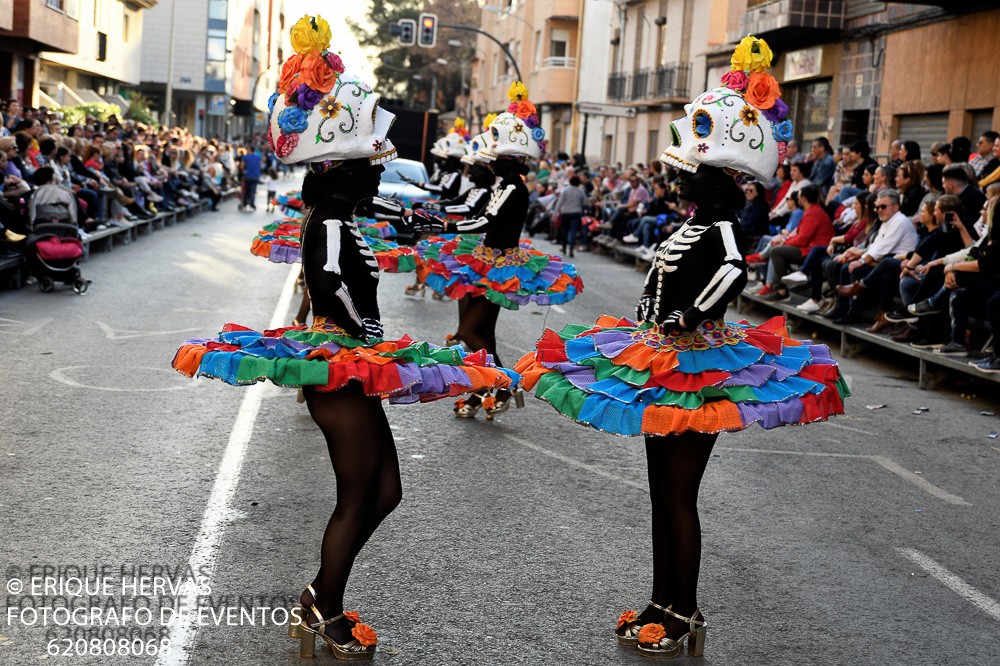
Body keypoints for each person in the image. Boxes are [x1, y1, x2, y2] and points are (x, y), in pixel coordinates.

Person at [171, 18, 516, 661]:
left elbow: (360, 251)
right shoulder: (329, 223)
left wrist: (408, 236)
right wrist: (373, 338)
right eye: (368, 168)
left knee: (385, 491)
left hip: (353, 368)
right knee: (361, 495)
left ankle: (321, 597)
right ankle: (322, 604)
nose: (376, 178)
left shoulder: (337, 217)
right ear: (344, 176)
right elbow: (334, 282)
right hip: (340, 370)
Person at [516, 36, 847, 660]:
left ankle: (684, 609)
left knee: (677, 495)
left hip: (697, 362)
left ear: (718, 182)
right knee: (660, 494)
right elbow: (665, 278)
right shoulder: (691, 222)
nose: (678, 179)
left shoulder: (719, 225)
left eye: (689, 172)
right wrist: (650, 314)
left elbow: (732, 274)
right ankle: (661, 600)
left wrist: (691, 315)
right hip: (661, 355)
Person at [408, 82, 583, 419]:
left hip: (501, 266)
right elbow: (479, 218)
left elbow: (483, 222)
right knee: (480, 333)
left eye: (498, 158)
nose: (491, 162)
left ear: (513, 160)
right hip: (483, 261)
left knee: (470, 332)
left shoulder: (515, 189)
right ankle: (480, 388)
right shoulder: (505, 186)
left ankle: (503, 383)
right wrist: (444, 223)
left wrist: (443, 226)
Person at [239, 147, 262, 211]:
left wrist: (243, 170)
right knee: (253, 192)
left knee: (246, 191)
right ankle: (252, 205)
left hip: (248, 176)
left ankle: (245, 204)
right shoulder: (258, 157)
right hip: (255, 176)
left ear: (249, 150)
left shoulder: (245, 157)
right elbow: (260, 166)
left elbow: (242, 167)